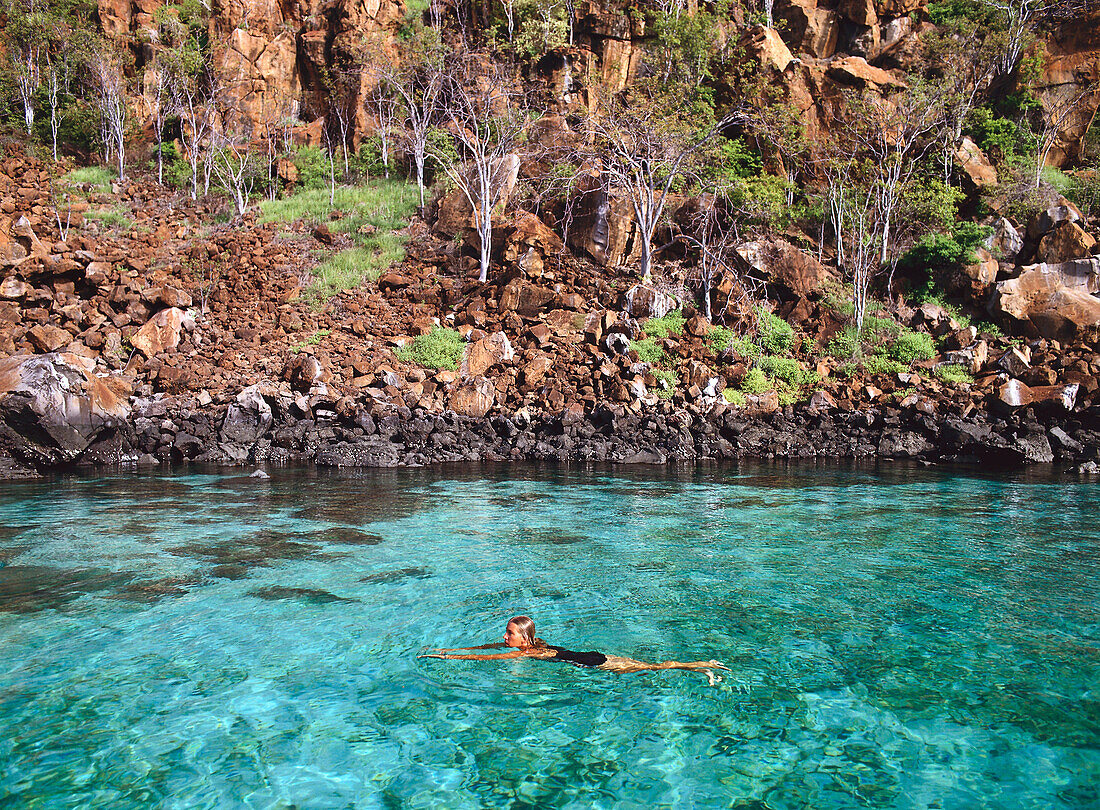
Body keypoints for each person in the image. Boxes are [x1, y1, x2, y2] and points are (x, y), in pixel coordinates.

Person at [421, 615, 730, 685]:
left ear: (524, 640)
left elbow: (479, 657)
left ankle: (702, 665)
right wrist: (446, 647)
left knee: (654, 668)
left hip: (594, 664)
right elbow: (483, 647)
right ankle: (702, 666)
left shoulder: (523, 653)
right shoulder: (536, 644)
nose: (504, 637)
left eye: (509, 633)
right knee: (650, 665)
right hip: (590, 654)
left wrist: (445, 658)